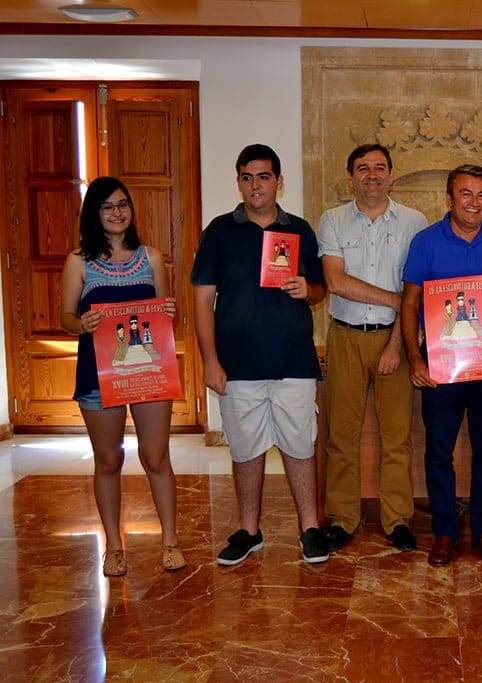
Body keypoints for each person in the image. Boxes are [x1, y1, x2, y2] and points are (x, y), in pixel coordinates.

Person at [191, 144, 330, 566]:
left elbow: (321, 288)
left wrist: (309, 290)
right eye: (247, 177)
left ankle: (309, 528)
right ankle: (249, 531)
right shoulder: (218, 231)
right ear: (239, 181)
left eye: (264, 176)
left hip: (293, 361)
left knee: (299, 445)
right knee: (245, 450)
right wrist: (210, 361)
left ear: (278, 181)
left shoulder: (300, 230)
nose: (256, 185)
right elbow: (201, 302)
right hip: (238, 365)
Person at [59, 176, 184, 577]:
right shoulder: (78, 261)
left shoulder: (151, 258)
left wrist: (168, 313)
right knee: (109, 460)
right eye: (108, 206)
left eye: (123, 204)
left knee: (156, 456)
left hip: (149, 372)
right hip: (98, 373)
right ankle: (113, 547)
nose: (117, 213)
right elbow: (65, 317)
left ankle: (170, 541)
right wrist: (82, 323)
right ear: (94, 214)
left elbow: (166, 315)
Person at [400, 164, 482, 567]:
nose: (474, 202)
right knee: (438, 451)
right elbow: (410, 303)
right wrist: (414, 357)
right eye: (465, 194)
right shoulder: (425, 242)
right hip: (440, 363)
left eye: (481, 194)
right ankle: (445, 533)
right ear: (449, 199)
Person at [317, 144, 427, 553]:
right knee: (340, 436)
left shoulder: (415, 223)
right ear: (351, 177)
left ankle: (397, 519)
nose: (372, 175)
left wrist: (397, 342)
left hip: (395, 338)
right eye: (362, 169)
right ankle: (343, 520)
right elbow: (336, 282)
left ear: (392, 175)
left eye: (380, 168)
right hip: (344, 335)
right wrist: (398, 300)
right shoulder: (333, 221)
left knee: (397, 437)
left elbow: (414, 292)